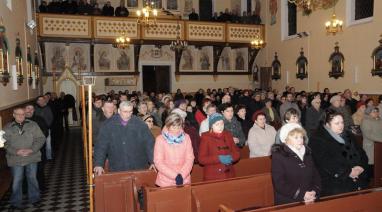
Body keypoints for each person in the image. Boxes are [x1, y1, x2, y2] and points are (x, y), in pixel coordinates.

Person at [309, 109, 369, 196]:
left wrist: (361, 166)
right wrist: (348, 172)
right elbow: (325, 162)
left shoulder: (348, 135)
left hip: (358, 177)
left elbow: (361, 152)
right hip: (335, 182)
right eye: (337, 123)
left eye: (342, 122)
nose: (341, 125)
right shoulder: (317, 138)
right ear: (327, 125)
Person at [93, 101, 155, 175]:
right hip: (118, 164)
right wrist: (99, 164)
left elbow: (149, 144)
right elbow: (101, 145)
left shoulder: (139, 123)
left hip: (138, 164)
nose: (128, 115)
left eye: (130, 111)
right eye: (125, 112)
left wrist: (153, 161)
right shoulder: (108, 125)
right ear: (119, 111)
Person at [3, 108, 45, 210]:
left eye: (23, 114)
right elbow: (4, 143)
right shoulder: (7, 127)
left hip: (31, 156)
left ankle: (35, 199)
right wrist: (16, 151)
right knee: (17, 180)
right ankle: (15, 202)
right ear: (13, 115)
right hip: (15, 158)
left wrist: (31, 150)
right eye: (18, 114)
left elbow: (41, 138)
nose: (21, 116)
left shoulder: (33, 124)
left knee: (32, 178)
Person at [271, 123, 321, 205]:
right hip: (289, 201)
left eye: (301, 137)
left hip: (310, 198)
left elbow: (316, 175)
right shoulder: (279, 156)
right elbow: (279, 183)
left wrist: (314, 191)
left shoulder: (307, 153)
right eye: (296, 137)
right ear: (286, 139)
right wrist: (302, 194)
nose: (300, 140)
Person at [154, 113, 195, 187]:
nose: (176, 129)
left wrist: (182, 175)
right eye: (173, 126)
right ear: (168, 125)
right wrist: (175, 176)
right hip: (165, 180)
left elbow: (190, 158)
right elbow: (158, 161)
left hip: (184, 178)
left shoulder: (186, 137)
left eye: (179, 126)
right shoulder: (160, 139)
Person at [198, 113, 240, 181]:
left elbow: (237, 153)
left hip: (229, 174)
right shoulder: (206, 138)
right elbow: (201, 159)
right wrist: (218, 158)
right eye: (217, 124)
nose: (220, 126)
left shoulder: (228, 135)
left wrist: (231, 157)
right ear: (211, 126)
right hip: (213, 176)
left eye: (222, 123)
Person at [360, 107, 382, 178]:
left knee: (378, 163)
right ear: (368, 113)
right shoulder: (365, 121)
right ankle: (370, 180)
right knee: (371, 164)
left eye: (377, 111)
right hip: (370, 146)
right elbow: (368, 134)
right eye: (374, 111)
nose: (376, 113)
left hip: (379, 145)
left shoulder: (379, 120)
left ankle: (377, 179)